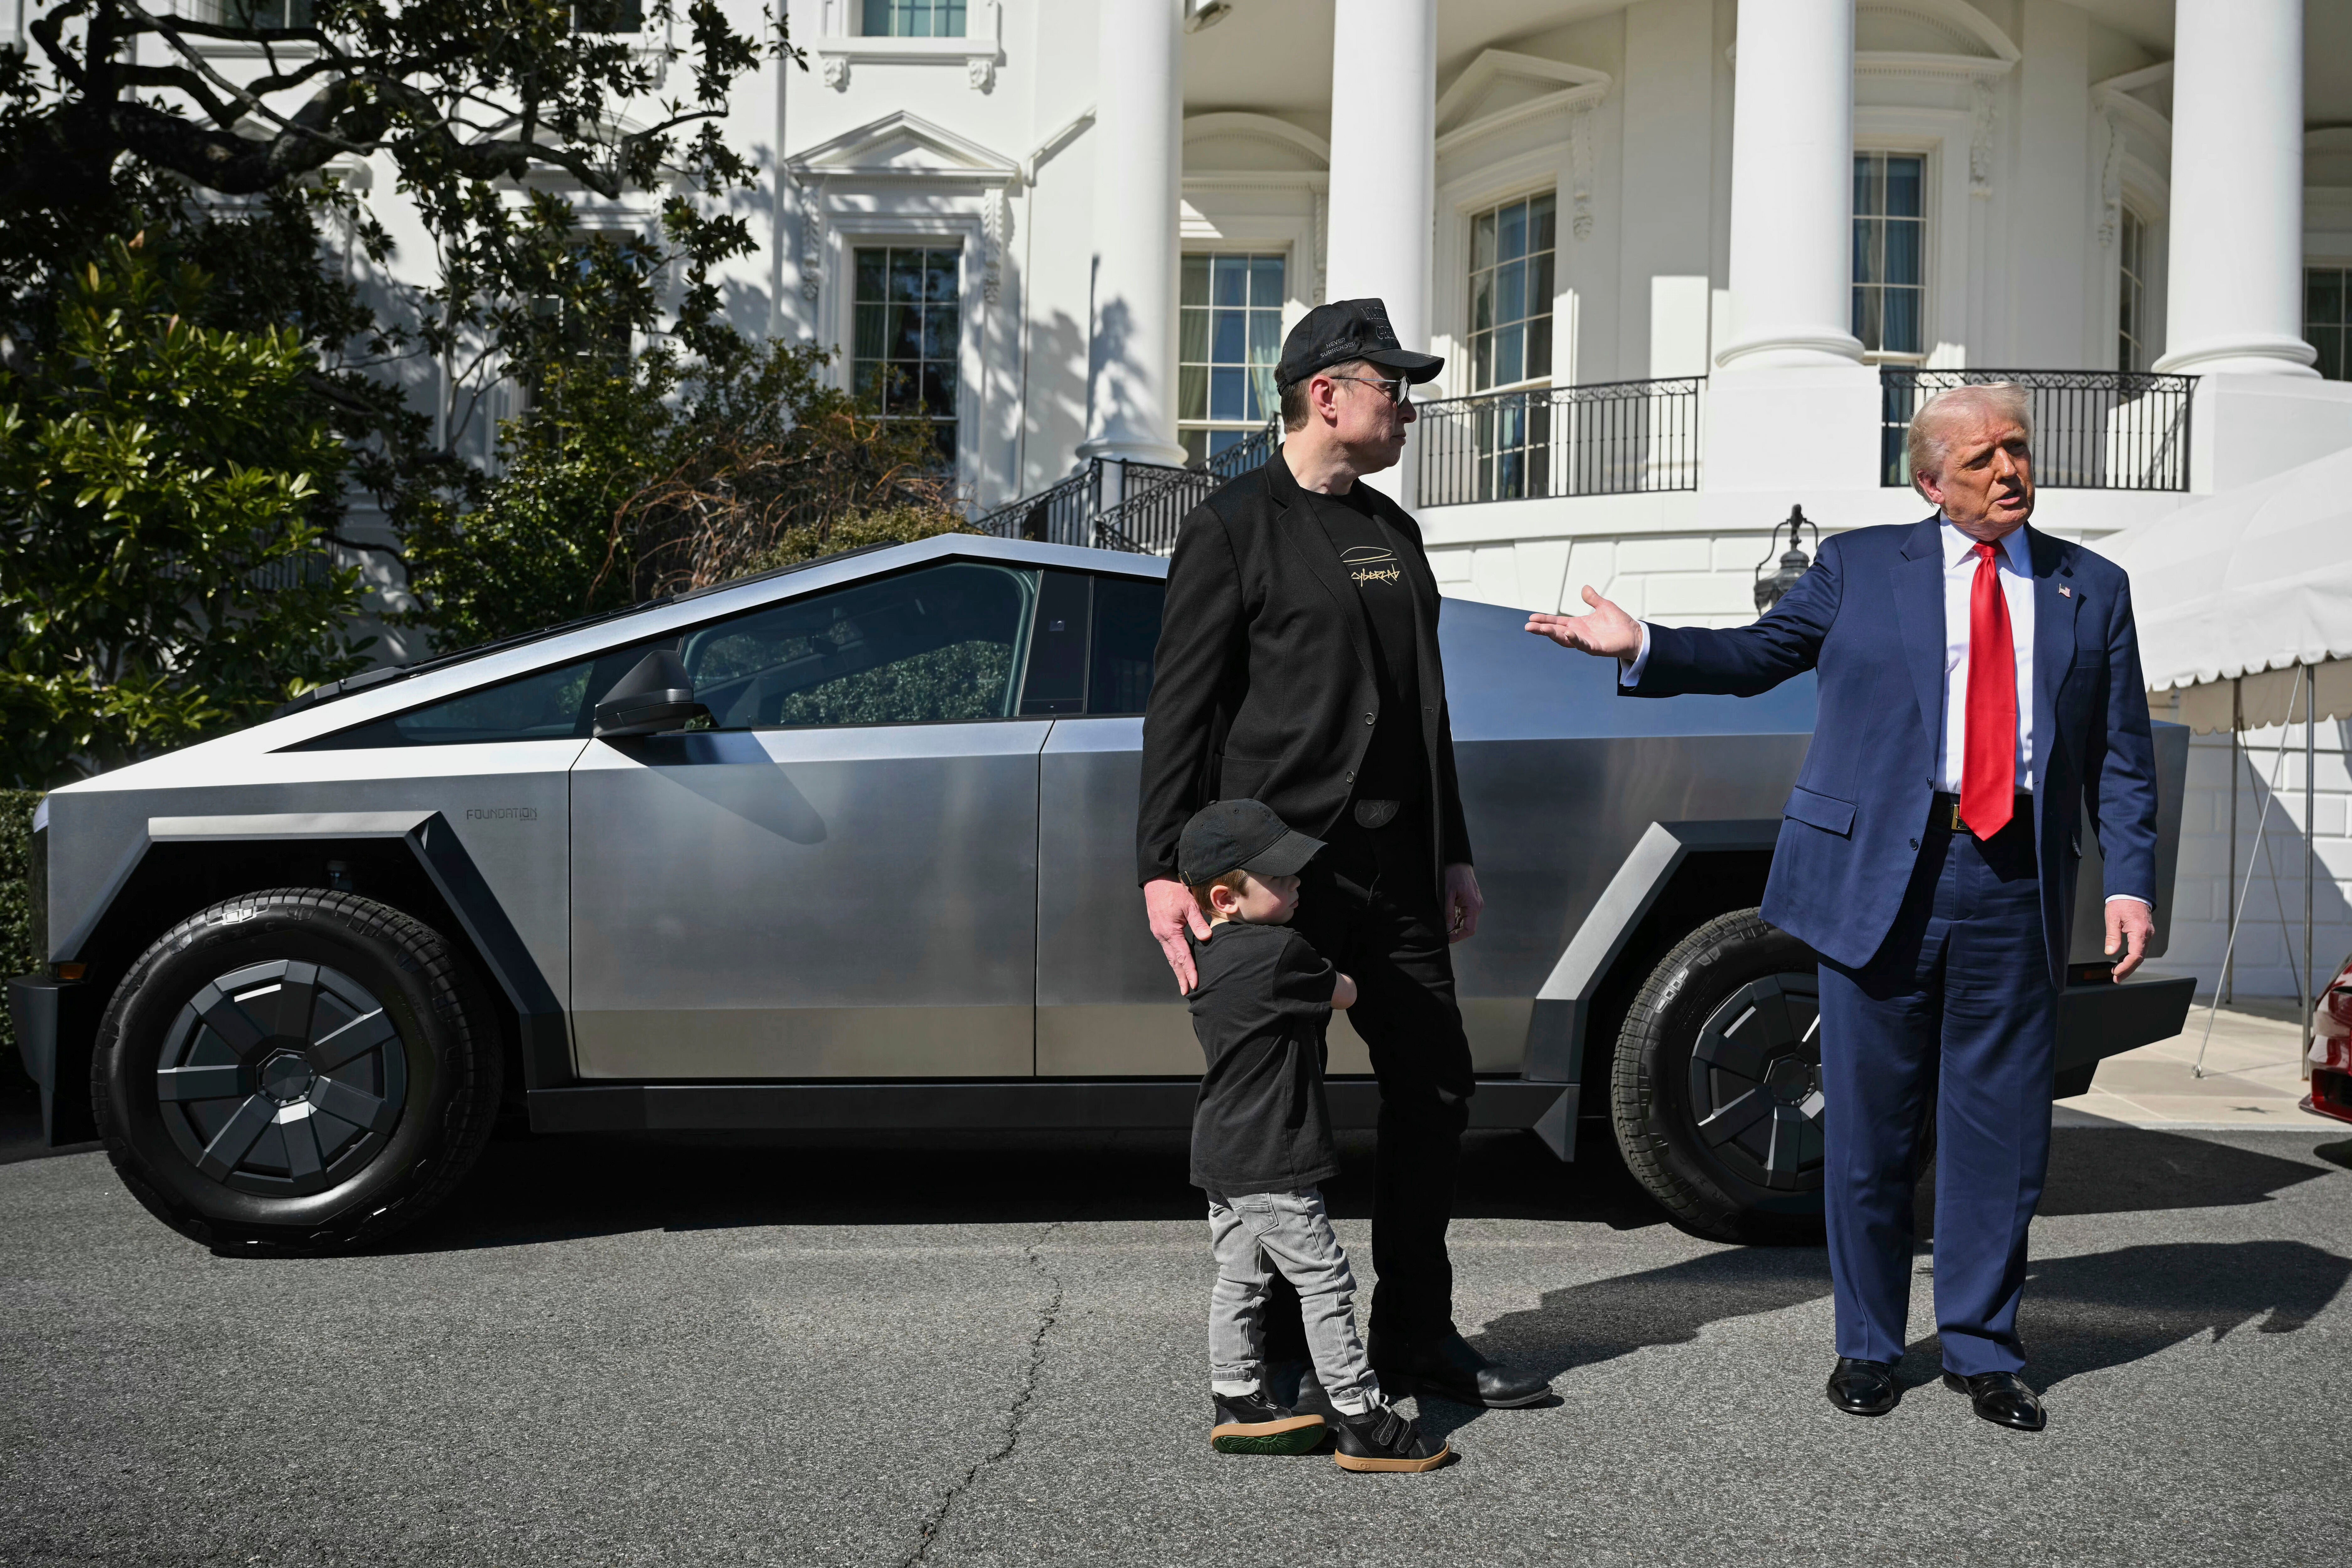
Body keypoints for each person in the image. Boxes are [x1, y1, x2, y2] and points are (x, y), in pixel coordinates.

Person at [1525, 383, 2160, 1433]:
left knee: (1997, 1133)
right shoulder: (1860, 568)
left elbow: (2121, 756)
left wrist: (2129, 880)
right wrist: (1642, 643)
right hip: (1882, 876)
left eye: (2015, 449)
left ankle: (1982, 1346)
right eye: (1978, 460)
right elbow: (1753, 656)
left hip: (2014, 881)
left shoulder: (2089, 587)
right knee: (1867, 1129)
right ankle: (1867, 1343)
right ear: (1927, 482)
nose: (2007, 471)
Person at [1137, 297, 1551, 1410]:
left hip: (1398, 868)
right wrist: (1164, 871)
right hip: (1275, 877)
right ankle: (1280, 1355)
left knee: (1435, 1085)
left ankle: (1413, 1331)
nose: (1407, 406)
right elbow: (1178, 713)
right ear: (1328, 394)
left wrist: (1452, 851)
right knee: (1283, 1106)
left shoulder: (1391, 530)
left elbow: (1427, 710)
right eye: (1392, 386)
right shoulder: (1232, 524)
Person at [1179, 798, 1451, 1474]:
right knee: (1325, 1282)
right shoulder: (1284, 954)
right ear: (1225, 896)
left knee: (1240, 1280)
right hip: (1274, 1155)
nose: (1299, 883)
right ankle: (1361, 1417)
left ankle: (1237, 1398)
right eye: (1281, 877)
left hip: (1220, 1152)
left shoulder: (1203, 955)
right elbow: (1349, 992)